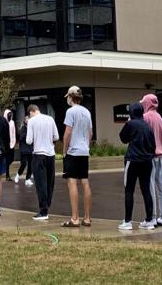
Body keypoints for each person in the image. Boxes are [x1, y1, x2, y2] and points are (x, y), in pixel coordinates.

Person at [119, 100, 156, 230]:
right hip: (147, 161)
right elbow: (153, 146)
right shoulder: (147, 126)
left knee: (129, 190)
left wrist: (128, 123)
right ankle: (149, 220)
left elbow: (123, 138)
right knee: (146, 190)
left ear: (131, 112)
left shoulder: (130, 124)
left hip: (132, 160)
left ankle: (128, 221)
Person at [63, 86, 93, 228]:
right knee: (85, 182)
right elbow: (90, 133)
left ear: (70, 97)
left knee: (72, 182)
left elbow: (67, 133)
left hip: (73, 151)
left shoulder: (70, 111)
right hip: (84, 150)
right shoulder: (87, 112)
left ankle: (75, 218)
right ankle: (87, 218)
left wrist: (64, 150)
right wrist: (86, 146)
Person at [25, 103, 59, 221]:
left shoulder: (31, 121)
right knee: (50, 182)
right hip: (51, 154)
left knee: (41, 183)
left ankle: (43, 211)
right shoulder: (50, 119)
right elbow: (56, 137)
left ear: (31, 112)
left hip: (39, 154)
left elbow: (29, 141)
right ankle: (47, 205)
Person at [140, 93, 162, 226]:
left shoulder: (145, 117)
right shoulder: (160, 118)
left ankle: (152, 216)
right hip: (161, 155)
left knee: (150, 186)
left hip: (150, 156)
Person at [15, 107, 34, 185]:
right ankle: (18, 175)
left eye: (29, 119)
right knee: (24, 164)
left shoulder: (32, 128)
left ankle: (27, 179)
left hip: (31, 149)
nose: (28, 120)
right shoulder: (23, 128)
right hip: (24, 150)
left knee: (31, 165)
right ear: (25, 121)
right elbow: (21, 137)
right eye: (26, 119)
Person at [3, 108, 17, 181]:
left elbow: (13, 132)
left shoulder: (12, 122)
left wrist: (14, 142)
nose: (10, 116)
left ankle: (5, 167)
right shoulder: (3, 122)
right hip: (5, 143)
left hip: (11, 142)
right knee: (7, 158)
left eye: (10, 115)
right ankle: (7, 175)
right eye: (8, 115)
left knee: (11, 159)